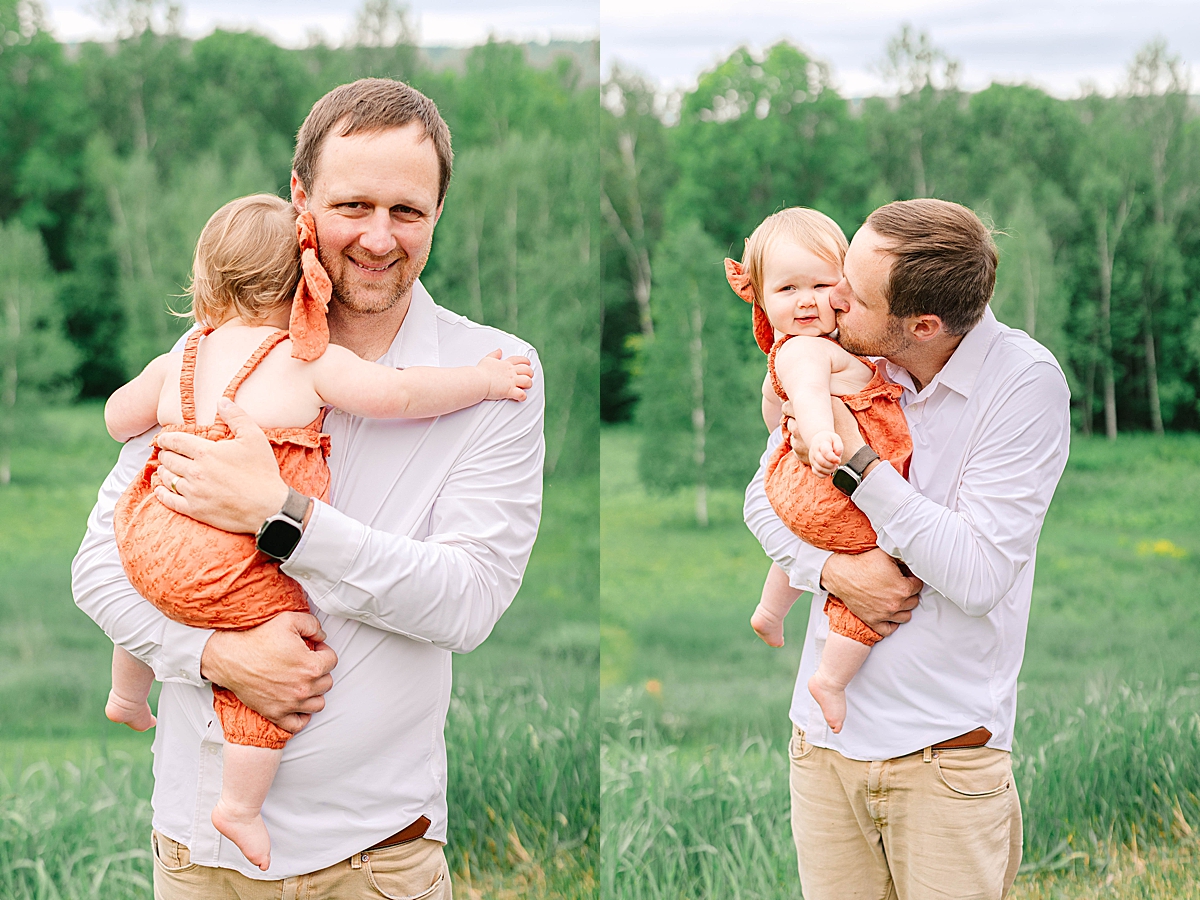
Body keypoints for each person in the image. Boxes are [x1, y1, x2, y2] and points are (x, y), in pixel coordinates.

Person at [73, 78, 545, 898]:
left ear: (439, 212)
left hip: (372, 860)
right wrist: (216, 654)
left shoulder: (493, 375)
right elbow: (101, 568)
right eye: (352, 205)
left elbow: (466, 604)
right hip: (196, 860)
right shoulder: (212, 347)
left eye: (408, 211)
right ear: (300, 200)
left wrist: (282, 518)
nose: (377, 237)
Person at [743, 198, 1070, 899]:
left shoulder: (1022, 386)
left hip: (944, 761)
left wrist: (859, 468)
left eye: (851, 294)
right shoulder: (858, 352)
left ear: (922, 325)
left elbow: (979, 575)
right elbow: (761, 498)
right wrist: (832, 569)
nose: (828, 301)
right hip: (824, 753)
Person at [723, 207, 912, 735]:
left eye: (821, 284)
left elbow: (772, 411)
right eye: (787, 290)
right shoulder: (805, 349)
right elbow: (804, 395)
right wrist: (824, 433)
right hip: (829, 477)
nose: (806, 300)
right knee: (885, 562)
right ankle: (830, 678)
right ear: (762, 298)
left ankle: (769, 609)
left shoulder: (790, 350)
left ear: (845, 284)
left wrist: (788, 428)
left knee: (806, 531)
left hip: (798, 488)